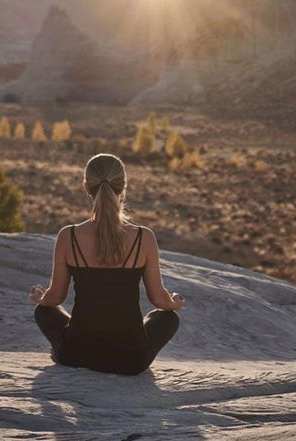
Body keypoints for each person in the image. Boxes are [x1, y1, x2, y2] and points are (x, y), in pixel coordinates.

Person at [30, 153, 184, 375]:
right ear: (123, 187)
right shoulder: (144, 237)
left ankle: (67, 346)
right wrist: (174, 303)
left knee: (43, 312)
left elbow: (55, 298)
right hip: (131, 359)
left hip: (75, 354)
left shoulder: (68, 236)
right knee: (167, 318)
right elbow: (159, 299)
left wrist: (41, 298)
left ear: (86, 187)